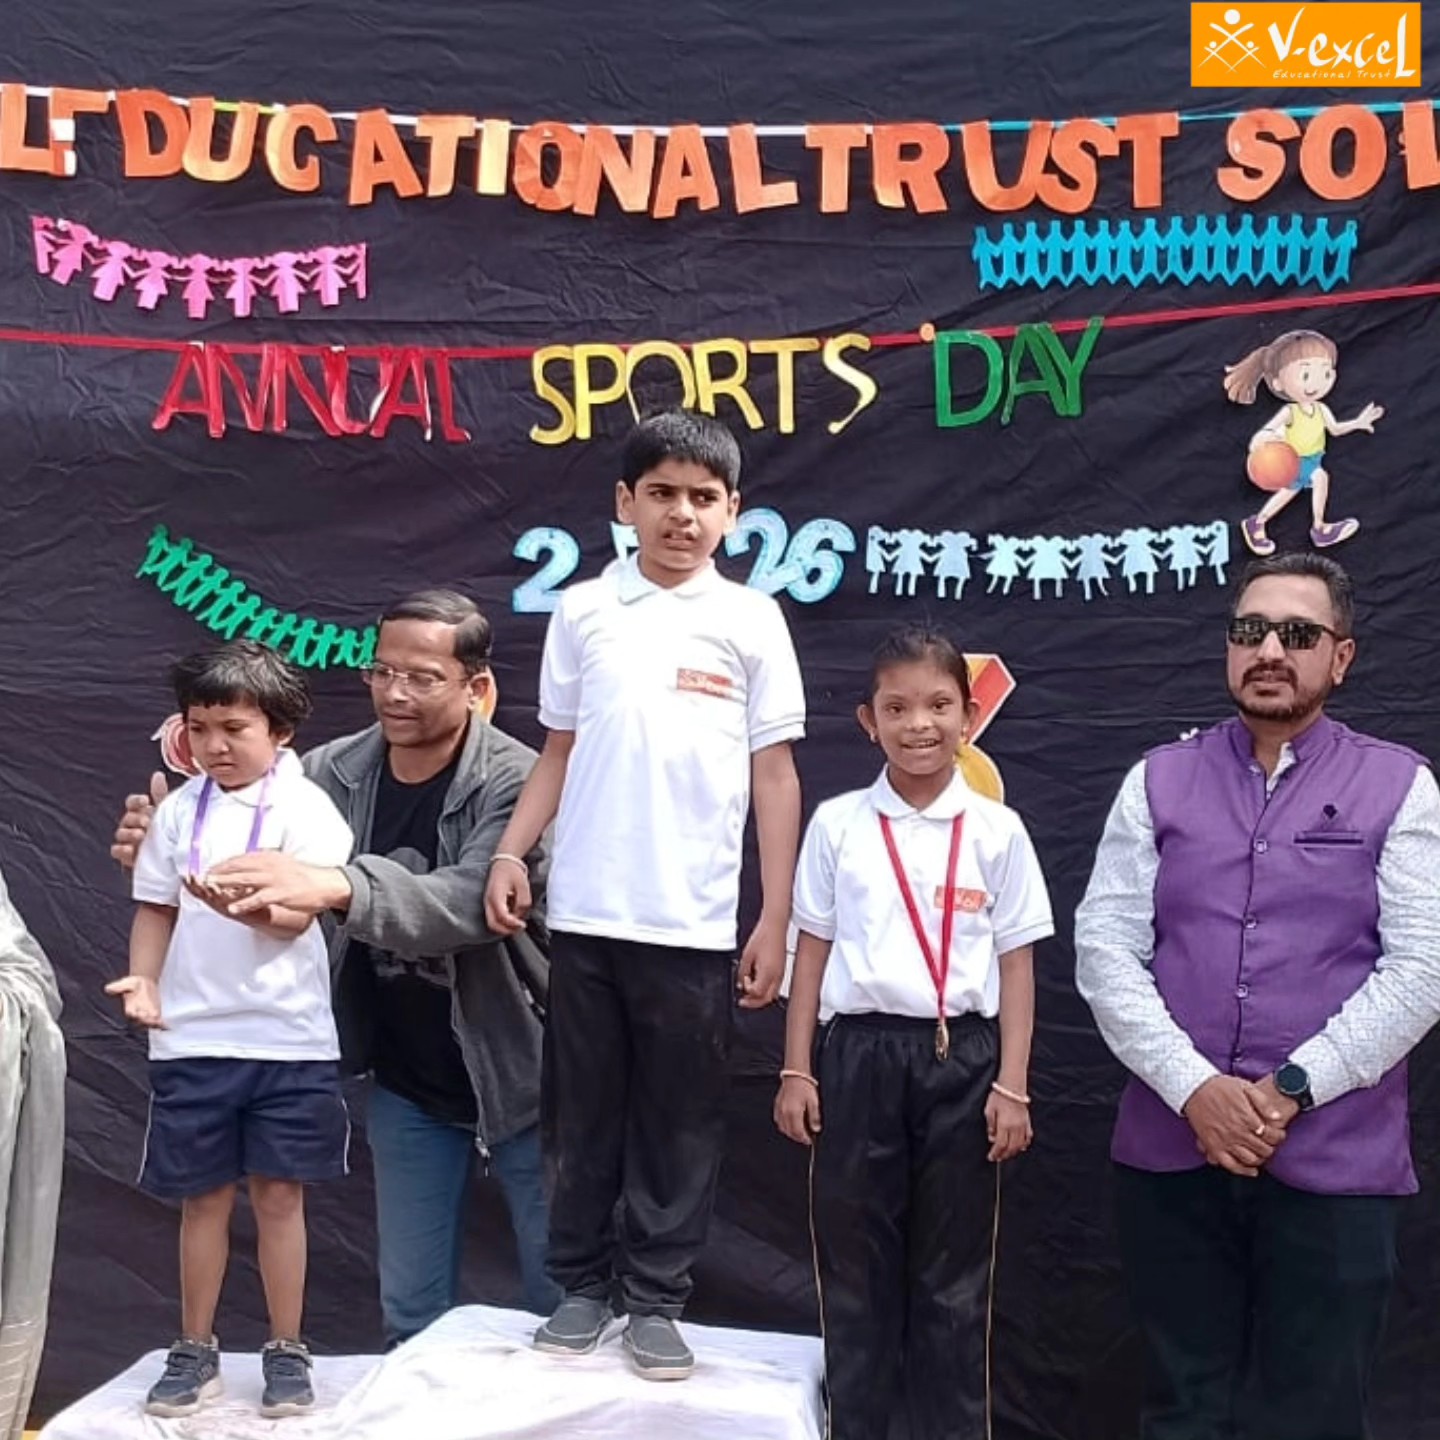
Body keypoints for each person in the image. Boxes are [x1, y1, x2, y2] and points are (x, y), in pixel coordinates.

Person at [112, 592, 558, 1348]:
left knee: (561, 1297)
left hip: (524, 1070)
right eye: (382, 672)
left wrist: (338, 885)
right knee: (411, 1313)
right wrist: (169, 848)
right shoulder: (328, 772)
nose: (395, 692)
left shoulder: (519, 779)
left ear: (476, 687)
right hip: (406, 1076)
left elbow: (473, 902)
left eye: (422, 677)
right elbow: (237, 853)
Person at [1074, 552, 1440, 1440]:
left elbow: (1423, 967)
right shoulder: (1157, 779)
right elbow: (1105, 948)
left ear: (1341, 658)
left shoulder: (1399, 784)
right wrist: (1195, 1089)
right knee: (1183, 1409)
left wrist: (1289, 1091)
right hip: (1172, 1154)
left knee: (1315, 1416)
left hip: (1337, 1164)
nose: (1270, 650)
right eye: (1251, 630)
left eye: (1298, 634)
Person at [483, 408, 805, 1380]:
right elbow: (558, 750)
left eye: (703, 497)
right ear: (626, 502)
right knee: (581, 1114)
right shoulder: (585, 610)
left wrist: (774, 917)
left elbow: (775, 775)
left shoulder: (751, 619)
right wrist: (509, 854)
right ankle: (582, 1288)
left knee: (680, 1122)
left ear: (733, 511)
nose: (682, 514)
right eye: (662, 493)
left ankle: (657, 1301)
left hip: (695, 923)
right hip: (584, 913)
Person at [774, 626, 1052, 1440]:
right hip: (857, 1056)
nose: (918, 724)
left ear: (968, 716)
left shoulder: (997, 831)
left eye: (937, 706)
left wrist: (1012, 1084)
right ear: (869, 721)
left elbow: (1017, 966)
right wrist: (796, 1069)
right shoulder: (838, 823)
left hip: (963, 1058)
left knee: (954, 1281)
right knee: (856, 1276)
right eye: (896, 708)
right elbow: (810, 952)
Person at [107, 641, 354, 1417]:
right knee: (203, 1199)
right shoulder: (180, 812)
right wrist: (145, 980)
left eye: (235, 728)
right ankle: (194, 1347)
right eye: (199, 726)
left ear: (280, 731)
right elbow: (155, 908)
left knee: (280, 1197)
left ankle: (287, 1348)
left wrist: (244, 909)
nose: (215, 744)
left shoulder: (307, 809)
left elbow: (294, 920)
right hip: (193, 1039)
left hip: (289, 1040)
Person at [1224, 328, 1384, 555]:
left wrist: (1358, 423)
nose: (1316, 383)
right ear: (1278, 383)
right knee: (1318, 479)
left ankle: (1259, 522)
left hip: (1313, 459)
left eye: (1326, 373)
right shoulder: (1290, 411)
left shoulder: (1321, 409)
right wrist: (1264, 439)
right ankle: (1318, 528)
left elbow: (1335, 430)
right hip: (1293, 462)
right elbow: (1267, 431)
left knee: (1292, 491)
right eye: (1306, 375)